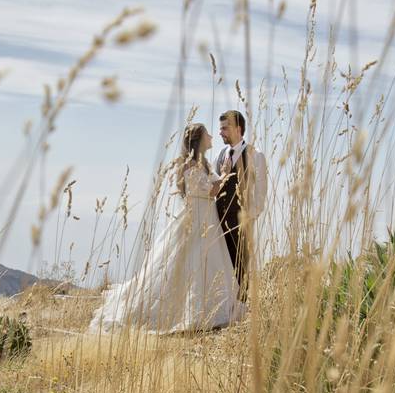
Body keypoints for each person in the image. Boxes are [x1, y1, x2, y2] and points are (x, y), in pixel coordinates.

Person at [89, 123, 245, 333]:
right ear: (199, 140)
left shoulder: (204, 164)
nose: (211, 136)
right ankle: (194, 311)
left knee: (208, 262)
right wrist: (225, 175)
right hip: (198, 220)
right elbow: (210, 191)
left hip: (208, 219)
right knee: (193, 262)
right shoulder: (190, 166)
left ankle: (215, 307)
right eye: (207, 134)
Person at [214, 110, 268, 303]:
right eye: (220, 129)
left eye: (224, 128)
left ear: (238, 129)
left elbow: (260, 191)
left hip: (241, 221)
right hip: (218, 221)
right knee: (223, 263)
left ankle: (242, 307)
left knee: (241, 263)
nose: (220, 132)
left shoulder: (256, 155)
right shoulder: (221, 154)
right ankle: (225, 306)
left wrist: (249, 217)